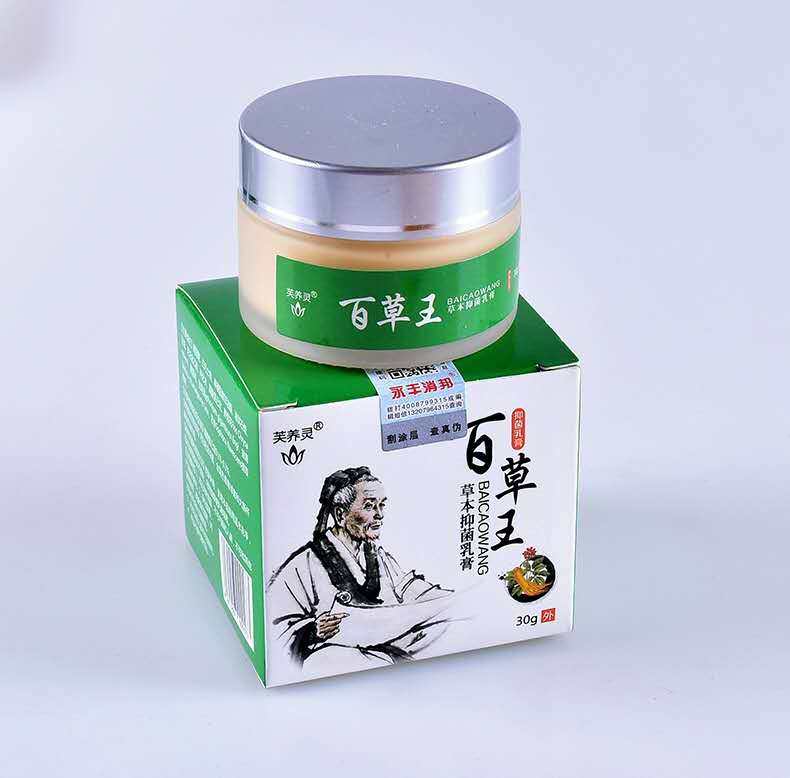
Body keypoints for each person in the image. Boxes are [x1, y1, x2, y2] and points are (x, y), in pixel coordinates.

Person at [267, 466, 454, 669]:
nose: (379, 515)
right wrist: (313, 631)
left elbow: (409, 588)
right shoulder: (304, 563)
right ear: (340, 515)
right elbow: (275, 627)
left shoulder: (376, 555)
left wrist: (451, 599)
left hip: (384, 645)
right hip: (339, 654)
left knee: (445, 623)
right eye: (369, 506)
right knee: (329, 658)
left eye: (382, 505)